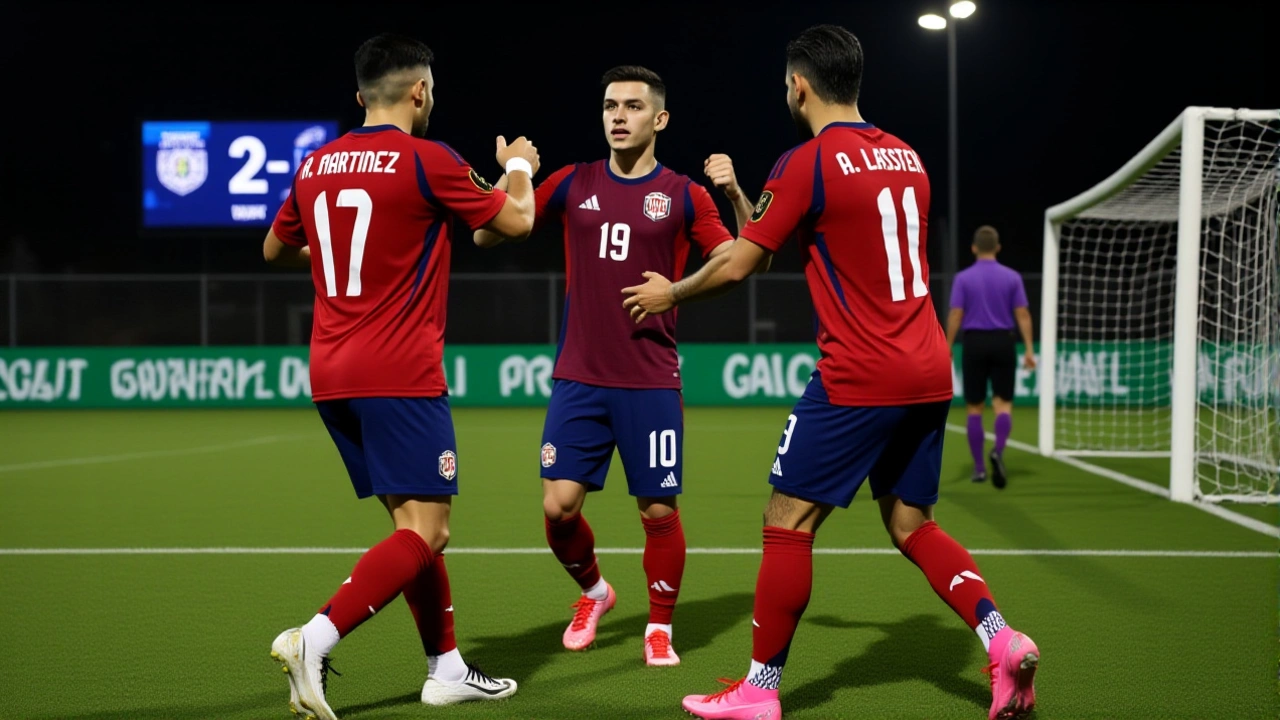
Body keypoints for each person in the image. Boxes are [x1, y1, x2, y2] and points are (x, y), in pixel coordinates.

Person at [623, 25, 1040, 720]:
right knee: (913, 524)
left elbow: (742, 261)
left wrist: (673, 291)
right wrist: (743, 203)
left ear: (799, 86)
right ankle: (1001, 638)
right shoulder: (907, 157)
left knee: (787, 520)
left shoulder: (807, 160)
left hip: (859, 370)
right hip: (928, 366)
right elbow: (808, 238)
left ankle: (758, 691)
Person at [261, 33, 539, 719]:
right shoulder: (429, 159)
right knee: (429, 532)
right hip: (399, 370)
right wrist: (518, 167)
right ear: (420, 91)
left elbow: (275, 248)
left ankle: (445, 668)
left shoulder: (315, 164)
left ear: (360, 96)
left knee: (411, 528)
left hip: (331, 370)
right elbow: (519, 220)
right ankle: (315, 638)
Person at [475, 65, 751, 667]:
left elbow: (735, 258)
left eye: (631, 106)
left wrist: (676, 289)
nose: (618, 116)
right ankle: (595, 592)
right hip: (578, 376)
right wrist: (513, 173)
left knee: (657, 510)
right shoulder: (573, 182)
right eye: (609, 106)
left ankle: (659, 627)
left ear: (660, 119)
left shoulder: (683, 193)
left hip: (650, 379)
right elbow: (488, 235)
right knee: (558, 507)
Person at [946, 225, 1036, 488]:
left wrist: (948, 345)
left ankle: (978, 469)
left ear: (974, 248)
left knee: (974, 407)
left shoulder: (963, 278)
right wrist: (1029, 348)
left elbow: (956, 315)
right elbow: (1023, 314)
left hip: (974, 342)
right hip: (1002, 342)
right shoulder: (1012, 277)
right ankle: (997, 451)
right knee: (1002, 404)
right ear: (997, 248)